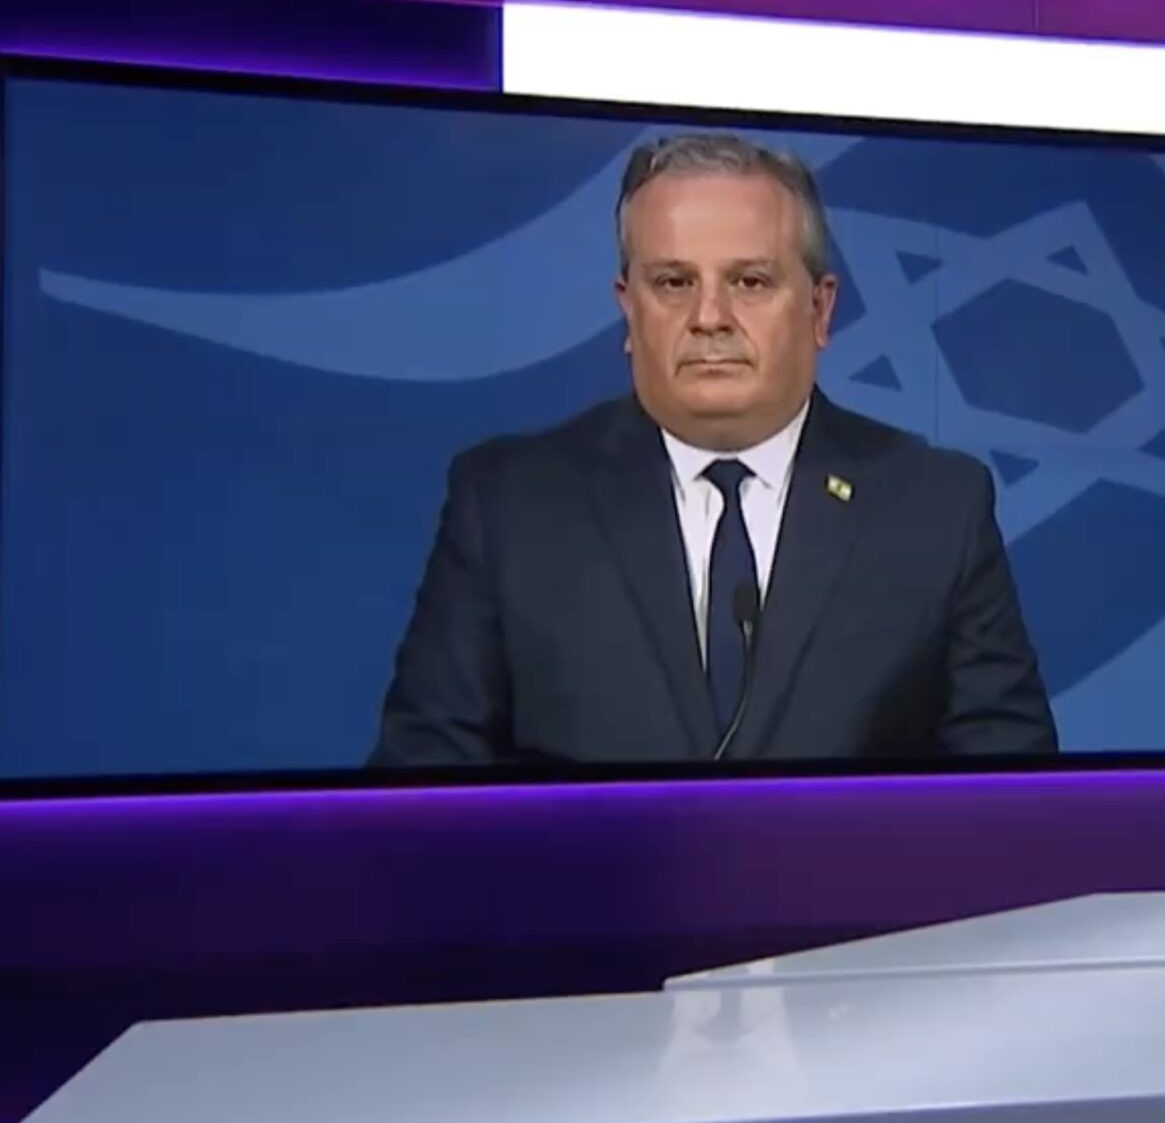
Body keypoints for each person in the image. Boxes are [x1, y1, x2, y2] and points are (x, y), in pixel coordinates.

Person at [371, 132, 1058, 767]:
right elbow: (420, 796)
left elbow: (1014, 796)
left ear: (820, 310)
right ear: (629, 309)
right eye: (674, 282)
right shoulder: (509, 506)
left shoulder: (937, 508)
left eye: (750, 281)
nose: (708, 318)